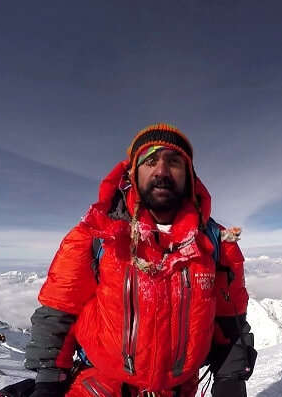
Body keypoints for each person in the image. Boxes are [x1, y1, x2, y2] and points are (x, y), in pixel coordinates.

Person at [24, 123, 255, 397]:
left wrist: (230, 380)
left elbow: (230, 323)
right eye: (150, 161)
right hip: (100, 389)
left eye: (173, 161)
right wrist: (49, 382)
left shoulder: (215, 244)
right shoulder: (96, 235)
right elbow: (58, 313)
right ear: (133, 174)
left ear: (189, 176)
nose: (161, 171)